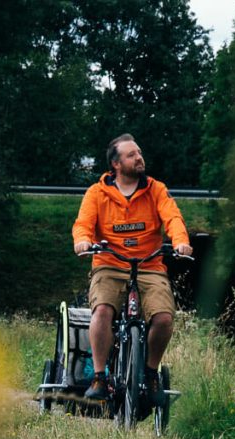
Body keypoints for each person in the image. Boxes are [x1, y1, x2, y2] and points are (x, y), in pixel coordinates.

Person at [72, 134, 192, 403]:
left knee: (163, 318)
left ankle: (150, 373)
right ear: (115, 164)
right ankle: (100, 377)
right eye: (131, 155)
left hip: (150, 265)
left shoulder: (156, 189)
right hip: (109, 264)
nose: (139, 157)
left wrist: (181, 242)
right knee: (102, 309)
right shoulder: (97, 193)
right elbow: (83, 224)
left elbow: (172, 217)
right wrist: (82, 241)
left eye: (139, 152)